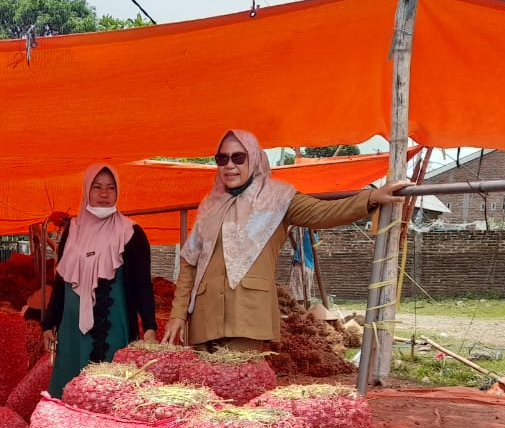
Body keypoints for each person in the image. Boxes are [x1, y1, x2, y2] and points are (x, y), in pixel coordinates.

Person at [161, 129, 409, 350]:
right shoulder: (209, 205)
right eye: (222, 158)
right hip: (205, 317)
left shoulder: (277, 198)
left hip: (247, 313)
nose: (229, 165)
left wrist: (371, 198)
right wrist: (178, 314)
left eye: (238, 157)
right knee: (203, 390)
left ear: (254, 158)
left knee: (238, 387)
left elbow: (322, 212)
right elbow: (190, 264)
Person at [42, 164, 156, 397]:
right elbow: (62, 281)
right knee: (69, 389)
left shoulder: (131, 233)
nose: (104, 194)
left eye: (110, 188)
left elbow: (142, 285)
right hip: (73, 328)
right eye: (97, 187)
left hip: (112, 327)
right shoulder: (72, 231)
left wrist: (150, 326)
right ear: (87, 191)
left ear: (117, 192)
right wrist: (48, 323)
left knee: (108, 393)